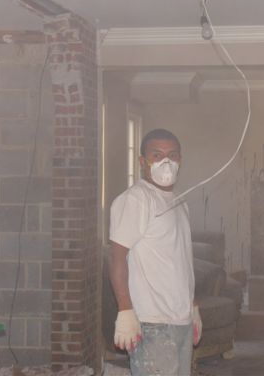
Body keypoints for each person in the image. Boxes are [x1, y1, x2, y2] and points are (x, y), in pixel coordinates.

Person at [109, 128, 202, 376]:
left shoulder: (179, 201)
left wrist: (192, 307)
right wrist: (125, 311)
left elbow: (182, 260)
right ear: (143, 162)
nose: (166, 162)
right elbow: (117, 258)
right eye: (157, 155)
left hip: (180, 320)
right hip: (152, 324)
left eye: (172, 155)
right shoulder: (136, 200)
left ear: (180, 160)